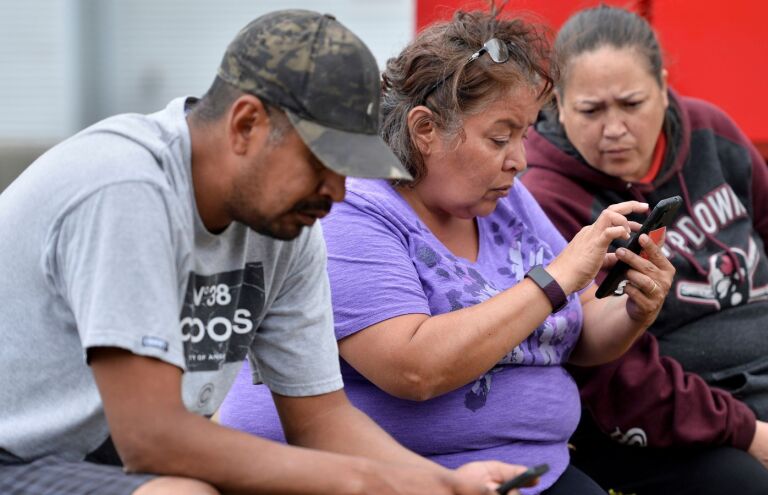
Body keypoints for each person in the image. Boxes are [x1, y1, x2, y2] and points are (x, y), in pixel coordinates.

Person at [0, 10, 531, 495]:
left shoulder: (288, 228)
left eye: (349, 170)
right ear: (246, 125)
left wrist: (443, 486)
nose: (337, 193)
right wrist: (374, 482)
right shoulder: (126, 188)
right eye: (323, 163)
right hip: (20, 456)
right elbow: (152, 438)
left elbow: (320, 422)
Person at [219, 8, 675, 495]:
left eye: (524, 134)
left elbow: (581, 327)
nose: (520, 160)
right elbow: (414, 368)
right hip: (403, 477)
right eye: (500, 137)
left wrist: (632, 309)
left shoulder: (503, 198)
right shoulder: (351, 206)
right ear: (425, 130)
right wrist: (555, 277)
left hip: (536, 468)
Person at [522, 5, 768, 494]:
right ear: (558, 105)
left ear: (663, 87)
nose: (614, 127)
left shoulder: (711, 132)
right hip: (672, 428)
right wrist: (748, 434)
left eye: (631, 103)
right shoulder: (548, 198)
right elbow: (610, 368)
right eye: (591, 110)